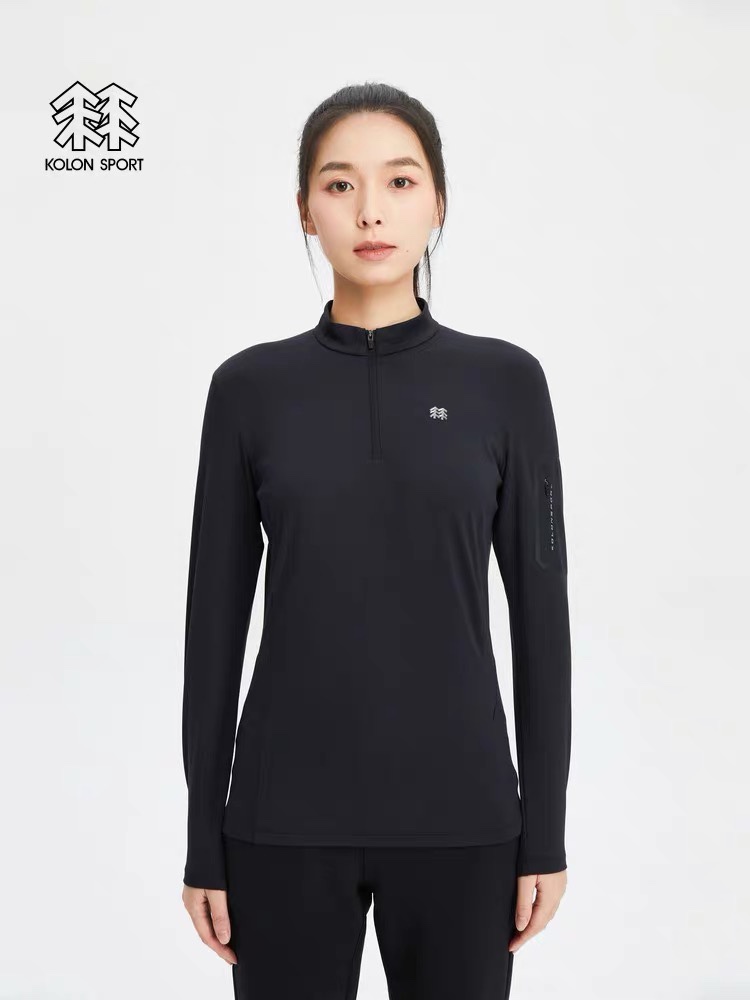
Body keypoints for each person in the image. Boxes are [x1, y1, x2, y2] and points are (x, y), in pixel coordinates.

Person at [181, 81, 572, 1000]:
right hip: (279, 824)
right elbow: (212, 630)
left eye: (399, 181)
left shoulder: (506, 385)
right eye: (339, 184)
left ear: (439, 203)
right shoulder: (248, 391)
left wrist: (545, 833)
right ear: (304, 209)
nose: (369, 211)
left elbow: (542, 625)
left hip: (466, 822)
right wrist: (204, 838)